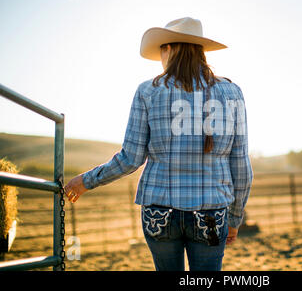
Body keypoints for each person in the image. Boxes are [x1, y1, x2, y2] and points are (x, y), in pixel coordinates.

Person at [64, 17, 253, 271]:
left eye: (161, 50)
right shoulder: (232, 93)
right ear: (200, 52)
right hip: (211, 215)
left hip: (159, 214)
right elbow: (241, 166)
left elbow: (130, 158)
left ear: (169, 49)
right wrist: (235, 217)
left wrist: (86, 181)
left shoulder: (148, 91)